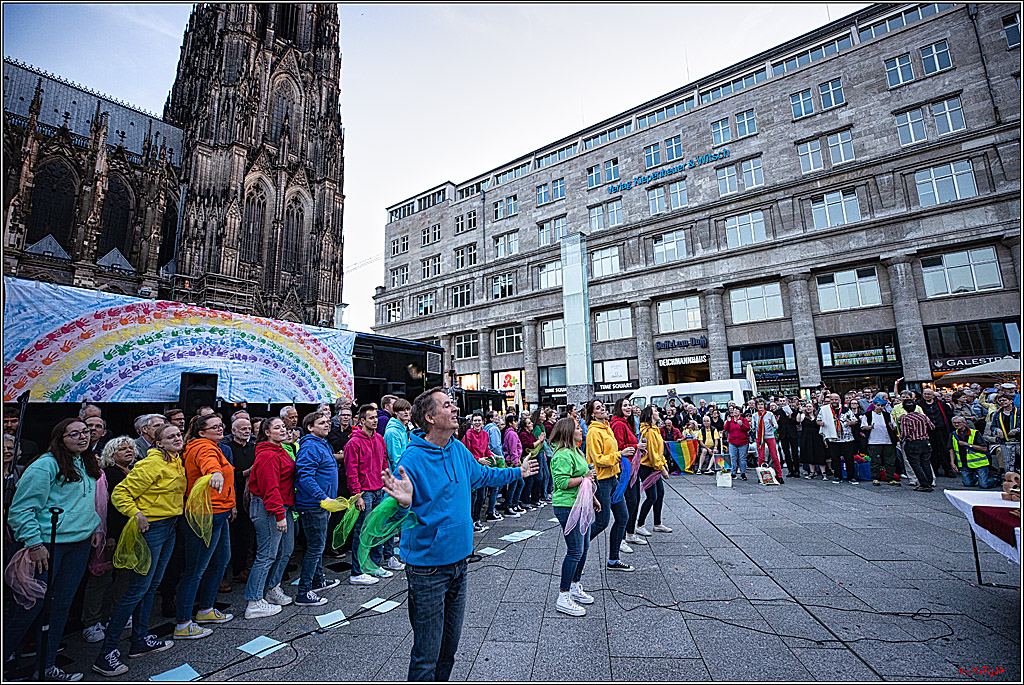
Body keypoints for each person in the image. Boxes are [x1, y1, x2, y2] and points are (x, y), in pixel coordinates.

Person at [380, 387, 536, 680]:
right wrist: (402, 503)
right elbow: (397, 516)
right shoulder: (411, 459)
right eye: (447, 405)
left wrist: (519, 472)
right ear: (430, 417)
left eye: (453, 404)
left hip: (459, 563)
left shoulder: (457, 448)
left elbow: (483, 476)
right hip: (428, 570)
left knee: (449, 649)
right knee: (427, 654)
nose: (455, 410)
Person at [5, 418, 101, 681]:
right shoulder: (45, 465)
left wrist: (92, 529)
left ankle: (46, 668)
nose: (83, 437)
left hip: (78, 544)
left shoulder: (86, 461)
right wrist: (34, 544)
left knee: (60, 607)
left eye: (86, 432)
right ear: (61, 438)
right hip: (47, 546)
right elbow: (21, 509)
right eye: (75, 434)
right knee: (29, 608)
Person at [92, 424, 186, 676]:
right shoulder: (150, 464)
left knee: (151, 586)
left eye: (179, 434)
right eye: (170, 436)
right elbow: (121, 492)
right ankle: (106, 653)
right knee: (137, 589)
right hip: (152, 529)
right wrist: (136, 514)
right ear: (158, 443)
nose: (177, 438)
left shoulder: (175, 460)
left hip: (169, 526)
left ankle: (140, 640)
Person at [174, 414, 234, 639]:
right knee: (195, 570)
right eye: (215, 427)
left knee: (220, 561)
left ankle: (206, 609)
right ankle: (182, 623)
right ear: (201, 432)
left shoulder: (214, 446)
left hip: (220, 513)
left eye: (221, 425)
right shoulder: (202, 447)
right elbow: (209, 464)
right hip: (204, 515)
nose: (220, 429)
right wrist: (215, 472)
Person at [80, 436, 135, 644]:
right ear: (111, 454)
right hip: (111, 534)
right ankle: (91, 622)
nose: (128, 451)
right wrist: (109, 535)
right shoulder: (109, 474)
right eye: (122, 449)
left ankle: (117, 613)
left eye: (130, 448)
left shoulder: (131, 471)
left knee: (124, 576)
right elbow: (107, 507)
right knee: (101, 577)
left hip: (128, 532)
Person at [245, 417, 296, 617]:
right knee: (266, 554)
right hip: (270, 508)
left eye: (283, 426)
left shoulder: (280, 450)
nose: (283, 430)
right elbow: (270, 487)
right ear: (267, 432)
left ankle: (273, 588)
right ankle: (254, 601)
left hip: (283, 506)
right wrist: (278, 514)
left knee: (286, 549)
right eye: (277, 427)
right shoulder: (267, 455)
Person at [549, 417, 599, 616]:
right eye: (577, 428)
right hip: (567, 506)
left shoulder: (577, 450)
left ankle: (575, 585)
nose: (581, 430)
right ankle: (563, 595)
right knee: (575, 551)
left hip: (581, 503)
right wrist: (585, 478)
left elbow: (584, 478)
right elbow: (561, 482)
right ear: (568, 432)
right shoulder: (562, 455)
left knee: (584, 547)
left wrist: (593, 498)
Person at [293, 412, 342, 606]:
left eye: (328, 422)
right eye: (321, 423)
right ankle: (304, 592)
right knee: (315, 547)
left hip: (321, 504)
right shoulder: (310, 447)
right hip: (313, 505)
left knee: (317, 545)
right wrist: (322, 498)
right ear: (310, 427)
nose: (327, 425)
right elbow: (305, 477)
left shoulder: (322, 444)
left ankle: (318, 579)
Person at [346, 405, 395, 585]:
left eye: (376, 417)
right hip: (365, 492)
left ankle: (374, 565)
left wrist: (386, 483)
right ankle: (357, 572)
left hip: (378, 490)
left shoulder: (379, 439)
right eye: (371, 418)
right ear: (362, 421)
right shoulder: (353, 443)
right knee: (362, 531)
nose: (375, 420)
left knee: (377, 528)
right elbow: (351, 472)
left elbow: (384, 463)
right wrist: (357, 495)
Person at [585, 399, 633, 572]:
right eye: (598, 408)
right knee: (601, 523)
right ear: (592, 414)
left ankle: (613, 560)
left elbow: (611, 453)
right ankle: (576, 551)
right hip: (602, 481)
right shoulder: (593, 432)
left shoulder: (607, 428)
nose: (603, 408)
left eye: (602, 406)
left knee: (622, 517)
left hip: (613, 479)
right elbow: (598, 459)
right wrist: (620, 455)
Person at [221, 416, 255, 590]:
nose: (247, 431)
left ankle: (240, 570)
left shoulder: (253, 447)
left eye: (248, 428)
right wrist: (243, 473)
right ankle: (223, 575)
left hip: (249, 497)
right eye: (243, 429)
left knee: (246, 536)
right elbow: (225, 475)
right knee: (231, 538)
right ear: (233, 431)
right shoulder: (227, 449)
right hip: (232, 495)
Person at [611, 398, 645, 550]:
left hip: (632, 467)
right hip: (624, 468)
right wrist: (636, 446)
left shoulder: (626, 423)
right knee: (630, 502)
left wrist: (638, 448)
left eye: (629, 405)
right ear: (619, 408)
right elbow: (619, 447)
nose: (628, 407)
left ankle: (630, 533)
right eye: (625, 405)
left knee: (635, 500)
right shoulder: (618, 424)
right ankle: (622, 538)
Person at [636, 406, 671, 537]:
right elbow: (651, 453)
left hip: (655, 466)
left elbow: (658, 451)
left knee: (660, 494)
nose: (658, 413)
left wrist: (664, 464)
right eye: (655, 411)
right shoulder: (649, 431)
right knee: (652, 496)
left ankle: (657, 523)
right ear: (650, 415)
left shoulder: (655, 429)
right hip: (647, 467)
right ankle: (640, 525)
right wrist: (662, 469)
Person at [818, 394, 859, 484]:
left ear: (839, 400)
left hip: (847, 438)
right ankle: (837, 476)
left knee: (849, 458)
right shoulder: (825, 410)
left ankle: (851, 477)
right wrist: (821, 423)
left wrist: (849, 423)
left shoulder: (846, 409)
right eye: (832, 399)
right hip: (833, 438)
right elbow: (818, 420)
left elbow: (855, 420)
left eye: (836, 399)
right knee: (835, 458)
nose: (834, 401)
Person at [949, 415, 999, 489]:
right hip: (964, 464)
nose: (956, 424)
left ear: (965, 423)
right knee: (968, 484)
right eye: (954, 423)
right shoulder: (953, 435)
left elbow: (984, 449)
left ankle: (995, 480)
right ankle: (976, 478)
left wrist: (968, 445)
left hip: (979, 463)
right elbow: (951, 449)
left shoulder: (975, 433)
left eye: (959, 422)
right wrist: (952, 463)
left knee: (984, 485)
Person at [898, 399, 936, 493]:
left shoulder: (905, 418)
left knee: (915, 464)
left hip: (913, 442)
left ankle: (924, 484)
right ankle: (929, 481)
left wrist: (900, 437)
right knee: (925, 463)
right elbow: (932, 427)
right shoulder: (923, 416)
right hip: (925, 441)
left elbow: (906, 433)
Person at [462, 413, 492, 533]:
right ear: (471, 422)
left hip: (482, 468)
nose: (477, 423)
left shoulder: (485, 434)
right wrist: (478, 459)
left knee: (482, 496)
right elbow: (465, 453)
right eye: (475, 420)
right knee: (473, 497)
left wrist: (491, 456)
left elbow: (486, 448)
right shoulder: (467, 436)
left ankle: (476, 519)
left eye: (479, 420)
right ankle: (470, 521)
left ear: (483, 422)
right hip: (472, 469)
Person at [861, 398, 898, 486]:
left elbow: (894, 427)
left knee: (890, 461)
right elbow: (863, 427)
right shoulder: (867, 415)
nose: (880, 407)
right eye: (878, 405)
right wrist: (869, 427)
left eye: (882, 406)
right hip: (873, 441)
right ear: (874, 405)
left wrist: (892, 427)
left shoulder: (887, 415)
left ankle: (890, 478)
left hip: (888, 441)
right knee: (875, 461)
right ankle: (875, 478)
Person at [919, 387, 954, 478]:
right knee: (931, 450)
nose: (927, 396)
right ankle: (934, 469)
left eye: (929, 394)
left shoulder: (941, 404)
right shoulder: (919, 404)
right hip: (928, 431)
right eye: (925, 394)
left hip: (941, 430)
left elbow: (949, 415)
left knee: (944, 449)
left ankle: (947, 469)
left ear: (933, 395)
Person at [984, 394, 1020, 475]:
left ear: (1011, 401)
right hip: (1004, 442)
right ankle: (1009, 479)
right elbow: (993, 426)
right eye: (1000, 401)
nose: (1002, 402)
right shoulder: (997, 414)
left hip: (1018, 440)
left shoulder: (1019, 412)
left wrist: (1017, 430)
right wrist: (997, 430)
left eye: (1004, 400)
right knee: (1007, 463)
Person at [751, 398, 784, 484]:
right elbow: (753, 427)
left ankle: (779, 475)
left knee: (774, 456)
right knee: (761, 457)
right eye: (758, 404)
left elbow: (776, 426)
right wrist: (752, 428)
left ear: (764, 405)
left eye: (761, 404)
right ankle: (761, 475)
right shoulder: (755, 415)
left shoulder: (770, 414)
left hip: (769, 436)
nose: (760, 406)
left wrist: (772, 424)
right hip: (760, 437)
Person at [482, 411, 505, 522]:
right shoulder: (494, 429)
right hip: (495, 458)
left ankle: (490, 508)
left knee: (490, 485)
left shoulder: (485, 428)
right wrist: (500, 457)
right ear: (491, 418)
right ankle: (491, 511)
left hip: (487, 457)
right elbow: (496, 446)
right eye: (496, 416)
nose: (498, 418)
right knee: (496, 485)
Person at [501, 414, 525, 517]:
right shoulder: (512, 434)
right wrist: (516, 463)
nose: (517, 424)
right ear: (510, 423)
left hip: (514, 461)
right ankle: (509, 505)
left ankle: (514, 503)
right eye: (515, 422)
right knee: (515, 484)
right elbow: (513, 450)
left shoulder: (511, 433)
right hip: (513, 462)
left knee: (519, 483)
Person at [775, 397, 800, 478]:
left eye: (783, 401)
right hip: (783, 434)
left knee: (794, 452)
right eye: (780, 401)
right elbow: (776, 425)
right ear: (778, 402)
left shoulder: (793, 411)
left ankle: (797, 470)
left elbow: (797, 422)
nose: (782, 402)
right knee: (786, 453)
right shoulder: (777, 412)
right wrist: (777, 420)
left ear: (787, 402)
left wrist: (790, 417)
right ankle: (790, 470)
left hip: (792, 433)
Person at [723, 407, 750, 481]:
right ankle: (733, 473)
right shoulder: (730, 420)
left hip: (743, 442)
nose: (735, 412)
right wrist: (728, 422)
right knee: (733, 458)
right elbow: (725, 429)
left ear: (740, 412)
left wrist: (741, 425)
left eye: (737, 411)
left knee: (742, 458)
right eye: (734, 411)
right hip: (732, 442)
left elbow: (747, 429)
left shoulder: (744, 420)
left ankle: (743, 473)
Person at [384, 398, 412, 468]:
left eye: (408, 409)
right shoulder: (393, 432)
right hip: (397, 474)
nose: (406, 412)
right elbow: (395, 460)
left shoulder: (402, 429)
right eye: (402, 410)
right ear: (395, 412)